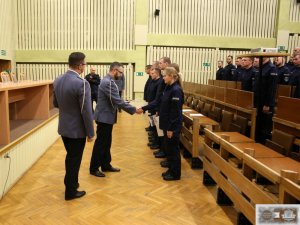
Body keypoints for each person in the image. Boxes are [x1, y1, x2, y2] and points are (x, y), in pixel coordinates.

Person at [53, 52, 95, 201]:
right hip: (76, 130)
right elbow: (86, 110)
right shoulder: (82, 83)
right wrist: (91, 132)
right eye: (84, 64)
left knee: (71, 157)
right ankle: (70, 191)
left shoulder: (57, 80)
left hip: (63, 127)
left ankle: (73, 183)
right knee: (74, 160)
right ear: (79, 65)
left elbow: (55, 104)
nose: (84, 66)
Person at [89, 62, 141, 177]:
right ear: (114, 70)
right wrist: (133, 109)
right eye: (121, 72)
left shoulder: (109, 81)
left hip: (106, 117)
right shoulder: (108, 82)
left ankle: (106, 165)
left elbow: (116, 99)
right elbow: (117, 100)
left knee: (107, 142)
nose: (121, 75)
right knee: (101, 143)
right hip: (104, 117)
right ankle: (94, 168)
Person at [157, 67, 184, 181]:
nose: (163, 78)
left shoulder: (176, 90)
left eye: (165, 76)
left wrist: (171, 128)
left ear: (171, 76)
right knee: (169, 149)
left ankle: (175, 173)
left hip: (171, 125)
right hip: (166, 123)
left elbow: (175, 112)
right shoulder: (169, 87)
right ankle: (171, 169)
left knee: (173, 150)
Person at [253, 57, 278, 143]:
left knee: (264, 126)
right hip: (258, 100)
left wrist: (267, 104)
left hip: (265, 102)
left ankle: (263, 145)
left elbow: (272, 89)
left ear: (266, 56)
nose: (258, 58)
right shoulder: (261, 67)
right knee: (258, 123)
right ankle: (256, 142)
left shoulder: (271, 68)